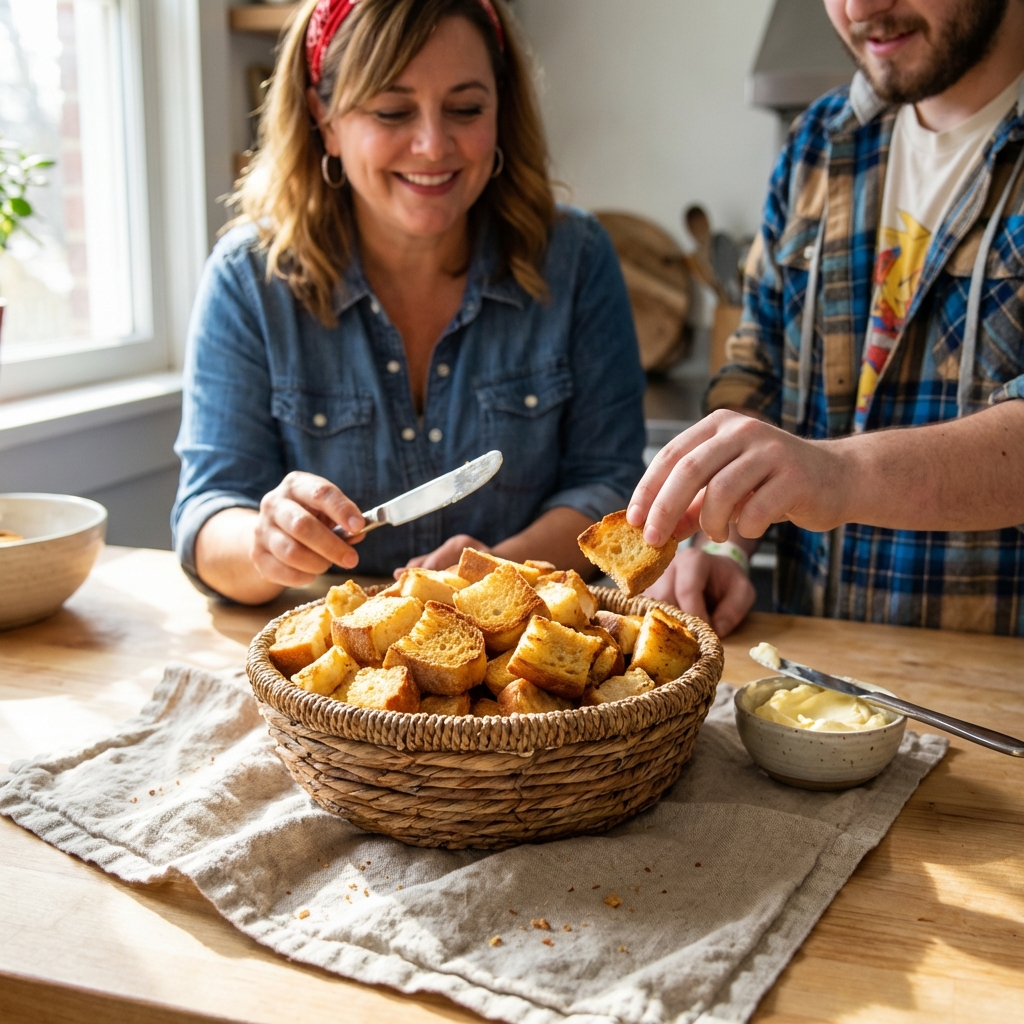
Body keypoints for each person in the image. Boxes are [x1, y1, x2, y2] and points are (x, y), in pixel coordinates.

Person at [172, 0, 645, 604]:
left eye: (466, 108)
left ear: (501, 109)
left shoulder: (575, 259)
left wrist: (494, 573)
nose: (432, 145)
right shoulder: (249, 280)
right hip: (323, 674)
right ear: (325, 118)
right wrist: (263, 542)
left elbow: (608, 486)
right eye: (393, 111)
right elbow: (207, 514)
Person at [632, 0, 1024, 637]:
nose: (859, 8)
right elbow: (757, 365)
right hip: (820, 686)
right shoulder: (820, 142)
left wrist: (842, 475)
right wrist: (724, 542)